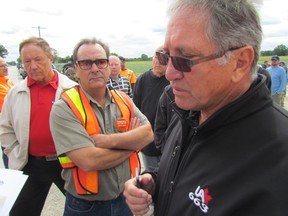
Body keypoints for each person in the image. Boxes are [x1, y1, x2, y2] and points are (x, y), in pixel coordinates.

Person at [124, 0, 288, 215]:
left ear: (240, 62)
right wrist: (156, 182)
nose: (170, 73)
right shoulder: (188, 111)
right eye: (166, 56)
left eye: (184, 59)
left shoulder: (279, 159)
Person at [49, 38, 154, 216]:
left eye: (100, 61)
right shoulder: (64, 108)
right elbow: (89, 161)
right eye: (86, 63)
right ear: (76, 67)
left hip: (126, 200)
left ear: (108, 65)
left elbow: (148, 133)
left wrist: (106, 141)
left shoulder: (123, 99)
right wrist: (133, 143)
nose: (95, 68)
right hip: (86, 207)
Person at [0, 37, 77, 216]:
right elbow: (5, 128)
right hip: (30, 163)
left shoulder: (72, 89)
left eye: (38, 59)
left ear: (50, 58)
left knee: (82, 208)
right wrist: (14, 151)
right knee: (20, 211)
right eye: (27, 61)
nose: (32, 66)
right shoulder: (15, 92)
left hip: (66, 162)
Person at [133, 46, 169, 171]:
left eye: (163, 59)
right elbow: (135, 107)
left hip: (168, 139)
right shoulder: (142, 79)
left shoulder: (173, 81)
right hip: (148, 141)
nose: (158, 62)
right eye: (156, 58)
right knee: (151, 175)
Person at [0, 57, 14, 168]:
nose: (5, 67)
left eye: (6, 64)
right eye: (2, 66)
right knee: (9, 153)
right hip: (7, 126)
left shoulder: (8, 81)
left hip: (14, 125)